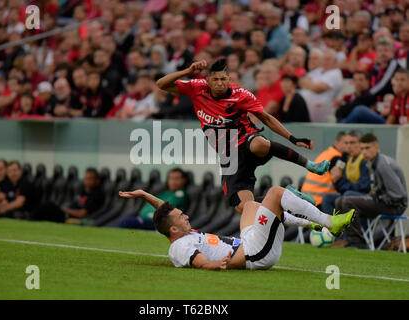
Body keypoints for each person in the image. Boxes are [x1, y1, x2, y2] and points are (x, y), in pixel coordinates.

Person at [156, 58, 330, 214]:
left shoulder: (241, 95)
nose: (219, 83)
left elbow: (267, 118)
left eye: (223, 79)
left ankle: (310, 165)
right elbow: (161, 84)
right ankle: (289, 197)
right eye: (215, 79)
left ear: (229, 80)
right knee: (245, 207)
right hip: (229, 155)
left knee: (259, 145)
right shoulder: (197, 88)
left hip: (246, 140)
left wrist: (293, 139)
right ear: (207, 80)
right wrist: (187, 71)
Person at [119, 187, 355, 270]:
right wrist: (218, 265)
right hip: (252, 256)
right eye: (182, 217)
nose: (186, 216)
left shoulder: (181, 233)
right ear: (173, 230)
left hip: (248, 243)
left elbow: (165, 212)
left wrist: (143, 195)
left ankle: (311, 222)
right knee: (274, 194)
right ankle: (328, 221)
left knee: (251, 205)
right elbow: (197, 261)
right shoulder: (180, 246)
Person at [335, 133, 408, 248]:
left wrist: (376, 198)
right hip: (383, 201)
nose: (364, 152)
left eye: (367, 148)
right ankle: (348, 239)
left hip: (394, 205)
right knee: (339, 201)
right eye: (362, 148)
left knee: (347, 202)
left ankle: (358, 243)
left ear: (377, 147)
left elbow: (398, 195)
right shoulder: (372, 162)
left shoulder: (382, 165)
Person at [117, 168, 188, 230]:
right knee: (124, 220)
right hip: (144, 219)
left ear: (183, 180)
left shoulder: (180, 194)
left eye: (176, 179)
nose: (173, 182)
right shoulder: (165, 193)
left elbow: (167, 208)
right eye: (171, 178)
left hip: (158, 224)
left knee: (125, 222)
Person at [321, 130, 371, 214]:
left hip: (365, 197)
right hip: (349, 194)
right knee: (327, 197)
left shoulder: (364, 160)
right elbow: (341, 187)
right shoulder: (346, 159)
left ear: (361, 143)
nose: (348, 146)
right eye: (346, 143)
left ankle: (353, 227)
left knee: (347, 195)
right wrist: (337, 180)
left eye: (352, 143)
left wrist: (341, 180)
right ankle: (331, 226)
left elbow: (364, 188)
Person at [31, 168, 105, 223]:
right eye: (86, 178)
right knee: (46, 207)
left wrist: (65, 210)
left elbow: (81, 214)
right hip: (65, 213)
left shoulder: (96, 195)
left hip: (70, 217)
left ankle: (30, 219)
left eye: (90, 179)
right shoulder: (83, 191)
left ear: (97, 181)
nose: (86, 181)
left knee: (48, 206)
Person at [301, 131, 349, 207]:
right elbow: (338, 179)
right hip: (319, 200)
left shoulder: (327, 153)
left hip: (307, 197)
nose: (348, 146)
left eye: (350, 143)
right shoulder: (336, 158)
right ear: (336, 143)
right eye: (346, 143)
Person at [299, 48, 343, 122]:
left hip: (320, 107)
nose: (325, 61)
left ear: (335, 61)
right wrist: (312, 85)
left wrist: (310, 85)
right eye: (324, 59)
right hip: (305, 103)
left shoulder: (335, 73)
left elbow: (318, 88)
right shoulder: (319, 70)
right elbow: (301, 81)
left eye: (328, 59)